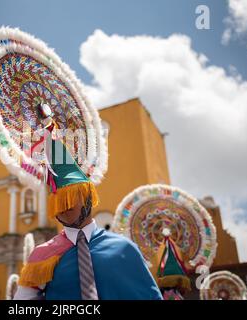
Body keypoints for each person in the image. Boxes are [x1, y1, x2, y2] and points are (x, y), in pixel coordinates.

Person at [14, 103, 162, 300]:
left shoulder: (124, 249)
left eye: (70, 198)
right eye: (58, 201)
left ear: (88, 198)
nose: (64, 207)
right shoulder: (41, 258)